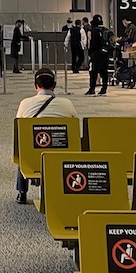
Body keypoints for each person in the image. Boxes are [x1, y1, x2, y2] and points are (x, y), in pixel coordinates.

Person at [15, 68, 77, 202]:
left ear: (35, 86)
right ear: (54, 85)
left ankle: (22, 192)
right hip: (62, 154)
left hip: (32, 155)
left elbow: (19, 129)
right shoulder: (67, 104)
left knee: (24, 150)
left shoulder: (25, 103)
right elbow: (75, 128)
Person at [84, 15, 111, 96]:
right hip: (105, 54)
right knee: (104, 71)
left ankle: (92, 89)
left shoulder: (94, 30)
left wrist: (90, 52)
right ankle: (104, 88)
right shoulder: (105, 29)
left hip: (96, 54)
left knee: (93, 72)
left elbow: (93, 44)